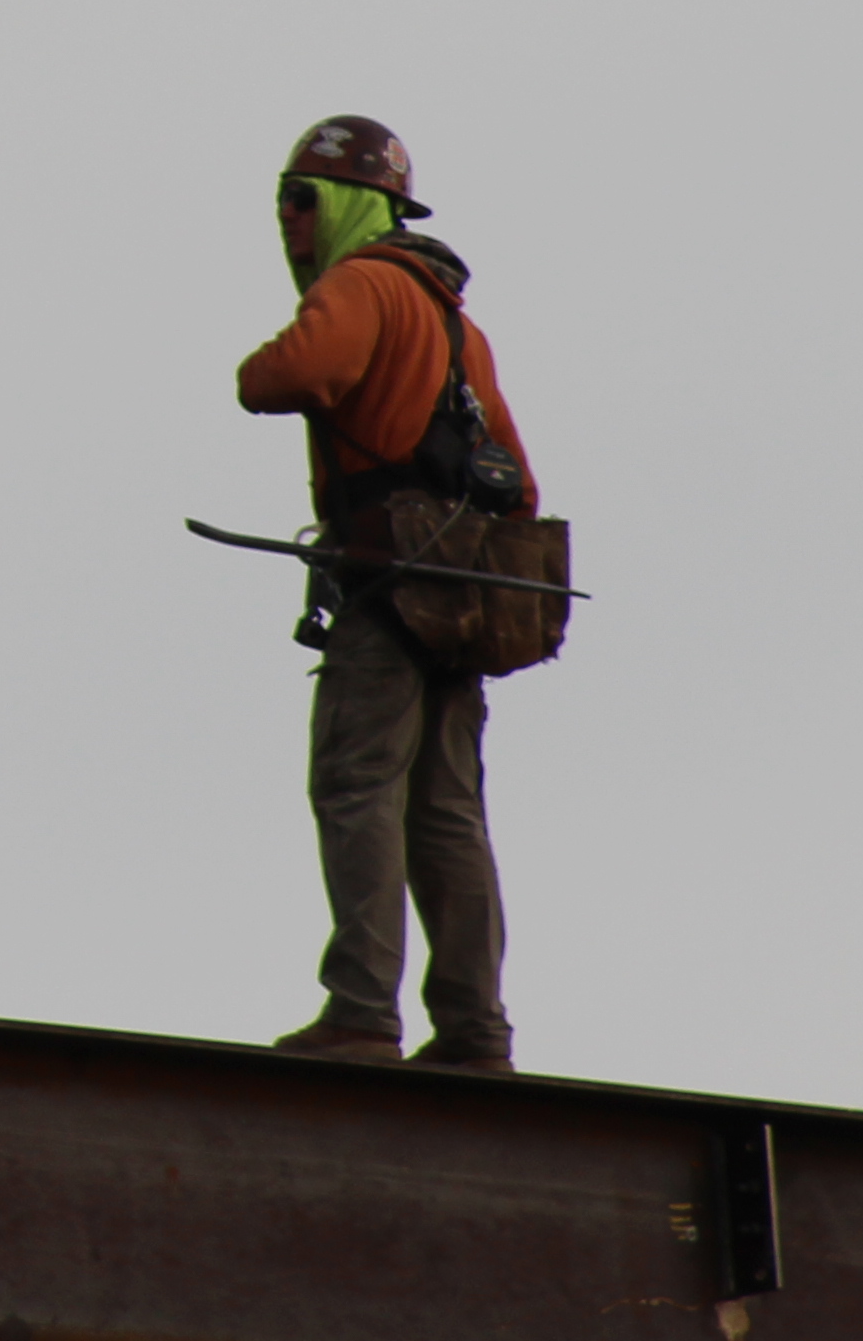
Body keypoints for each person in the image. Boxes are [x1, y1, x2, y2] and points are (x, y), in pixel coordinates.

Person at [233, 115, 534, 1072]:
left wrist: (257, 366)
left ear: (346, 205)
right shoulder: (456, 320)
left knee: (357, 783)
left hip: (388, 582)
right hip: (465, 591)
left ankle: (362, 1013)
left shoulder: (360, 284)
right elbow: (519, 484)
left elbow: (288, 374)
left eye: (300, 199)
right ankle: (476, 1033)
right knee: (447, 809)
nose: (286, 220)